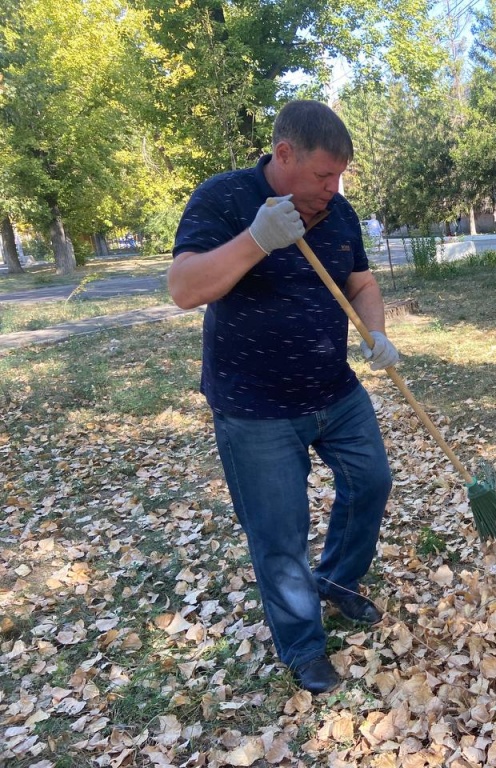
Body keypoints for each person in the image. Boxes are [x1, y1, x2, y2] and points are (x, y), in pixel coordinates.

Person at [168, 100, 398, 695]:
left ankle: (338, 581)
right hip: (255, 408)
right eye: (324, 174)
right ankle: (302, 646)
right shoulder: (223, 198)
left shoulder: (338, 212)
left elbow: (362, 282)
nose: (333, 187)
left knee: (371, 480)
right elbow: (184, 289)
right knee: (279, 532)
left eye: (340, 176)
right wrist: (256, 239)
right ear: (285, 153)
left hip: (334, 390)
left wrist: (377, 332)